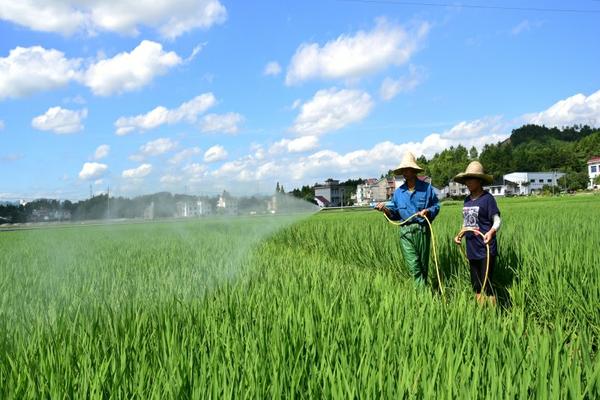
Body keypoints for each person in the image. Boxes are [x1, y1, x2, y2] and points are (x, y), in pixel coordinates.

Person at [375, 152, 440, 287]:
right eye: (403, 170)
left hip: (422, 230)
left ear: (414, 170)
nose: (405, 172)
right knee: (414, 267)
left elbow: (436, 206)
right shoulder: (399, 192)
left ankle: (425, 292)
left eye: (408, 169)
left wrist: (428, 211)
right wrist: (385, 210)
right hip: (406, 232)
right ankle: (422, 297)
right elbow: (395, 215)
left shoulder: (426, 188)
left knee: (423, 266)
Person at [453, 161, 501, 305]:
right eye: (466, 179)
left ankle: (494, 315)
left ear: (479, 181)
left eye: (471, 179)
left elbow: (497, 220)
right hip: (472, 248)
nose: (467, 182)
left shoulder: (488, 199)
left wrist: (491, 232)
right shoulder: (467, 200)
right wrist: (459, 234)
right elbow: (467, 222)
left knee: (487, 285)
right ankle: (480, 316)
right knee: (476, 285)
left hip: (486, 248)